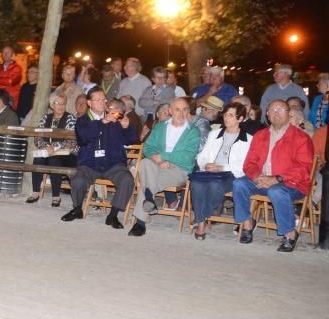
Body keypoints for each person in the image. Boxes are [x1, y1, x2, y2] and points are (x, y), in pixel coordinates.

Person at [234, 99, 315, 252]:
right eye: (272, 110)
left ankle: (290, 233)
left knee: (276, 191)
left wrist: (277, 178)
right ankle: (247, 224)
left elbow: (304, 168)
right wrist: (257, 176)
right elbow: (249, 163)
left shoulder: (300, 138)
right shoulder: (260, 135)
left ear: (289, 114)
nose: (276, 113)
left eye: (280, 110)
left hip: (292, 183)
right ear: (267, 114)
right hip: (263, 179)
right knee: (239, 184)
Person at [61, 88, 138, 229]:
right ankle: (77, 209)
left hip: (113, 163)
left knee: (127, 179)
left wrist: (127, 127)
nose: (103, 102)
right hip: (90, 164)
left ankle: (113, 215)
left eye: (104, 99)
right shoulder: (82, 120)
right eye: (98, 100)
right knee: (77, 180)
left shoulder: (116, 115)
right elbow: (83, 139)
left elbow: (132, 139)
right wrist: (102, 122)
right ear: (89, 103)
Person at [130, 97, 199, 236]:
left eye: (185, 109)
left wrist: (164, 156)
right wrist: (159, 160)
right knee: (145, 162)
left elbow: (187, 157)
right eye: (177, 109)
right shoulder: (160, 126)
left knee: (147, 182)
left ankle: (140, 222)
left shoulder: (193, 131)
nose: (181, 113)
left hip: (180, 170)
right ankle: (148, 199)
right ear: (170, 111)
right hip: (157, 165)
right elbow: (148, 148)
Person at [189, 102, 251, 240]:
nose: (226, 118)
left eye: (231, 115)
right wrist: (206, 164)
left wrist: (222, 167)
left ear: (240, 119)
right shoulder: (214, 134)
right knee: (196, 184)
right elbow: (202, 155)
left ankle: (201, 221)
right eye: (225, 115)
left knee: (214, 186)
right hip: (210, 171)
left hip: (230, 174)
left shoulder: (248, 139)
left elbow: (243, 165)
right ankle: (202, 221)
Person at [25, 95, 77, 207]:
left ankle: (56, 196)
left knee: (54, 160)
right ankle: (35, 192)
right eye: (58, 103)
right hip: (48, 151)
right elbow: (37, 137)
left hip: (67, 153)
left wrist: (54, 147)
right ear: (52, 105)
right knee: (38, 159)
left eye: (63, 103)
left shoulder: (70, 118)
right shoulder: (46, 118)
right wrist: (46, 146)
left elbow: (71, 140)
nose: (61, 106)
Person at [0, 45, 22, 109]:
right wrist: (5, 84)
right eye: (3, 52)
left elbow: (11, 81)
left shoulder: (17, 68)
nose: (5, 54)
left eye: (8, 52)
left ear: (12, 54)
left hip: (11, 99)